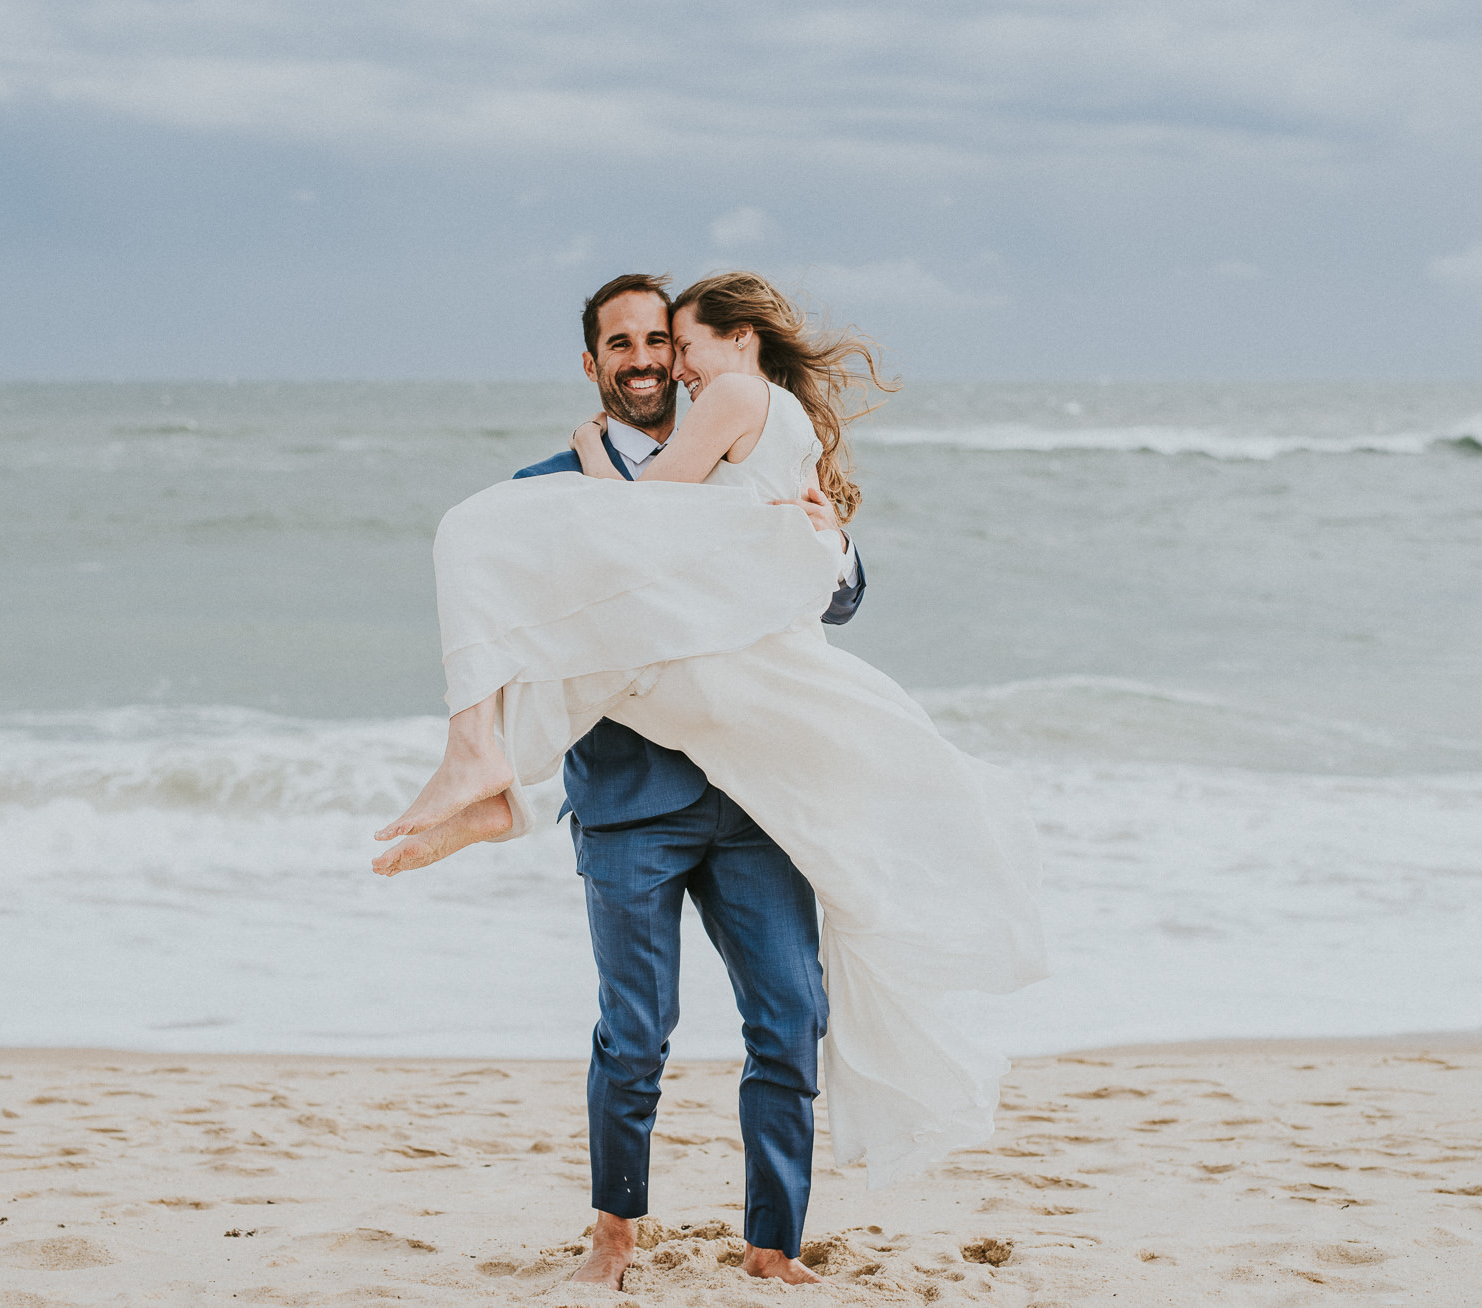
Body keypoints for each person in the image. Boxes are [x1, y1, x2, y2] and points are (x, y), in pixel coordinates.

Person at [375, 271, 1047, 1288]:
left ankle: (771, 1243)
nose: (651, 360)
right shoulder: (542, 491)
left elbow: (834, 601)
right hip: (630, 807)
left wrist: (830, 537)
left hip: (758, 802)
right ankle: (613, 1235)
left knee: (790, 1019)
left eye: (663, 341)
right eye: (625, 345)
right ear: (595, 362)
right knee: (633, 1034)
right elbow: (527, 632)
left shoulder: (742, 454)